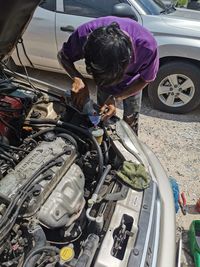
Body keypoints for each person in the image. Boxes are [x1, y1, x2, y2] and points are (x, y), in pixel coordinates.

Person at [58, 16, 159, 135]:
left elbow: (145, 79)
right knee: (103, 117)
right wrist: (78, 78)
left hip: (132, 85)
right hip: (103, 88)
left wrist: (117, 97)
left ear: (128, 60)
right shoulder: (84, 35)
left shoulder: (147, 47)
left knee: (130, 122)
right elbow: (63, 56)